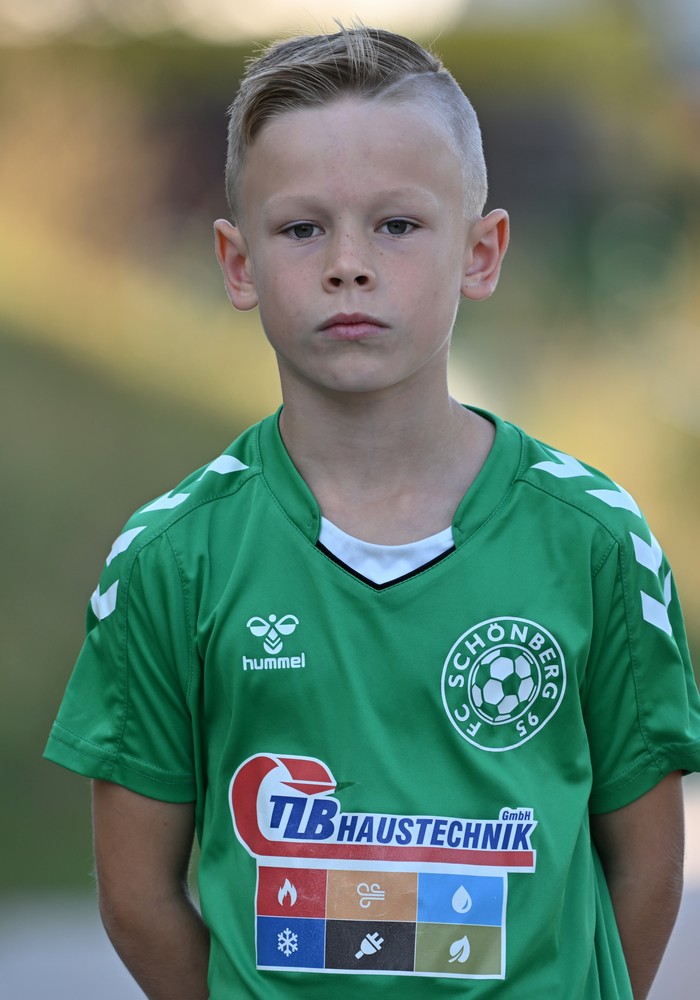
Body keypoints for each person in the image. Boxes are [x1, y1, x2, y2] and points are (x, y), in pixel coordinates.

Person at [44, 24, 700, 1000]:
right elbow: (139, 897)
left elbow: (645, 871)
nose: (348, 264)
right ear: (237, 263)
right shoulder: (171, 559)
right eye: (301, 229)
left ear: (481, 252)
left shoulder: (596, 541)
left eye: (396, 225)